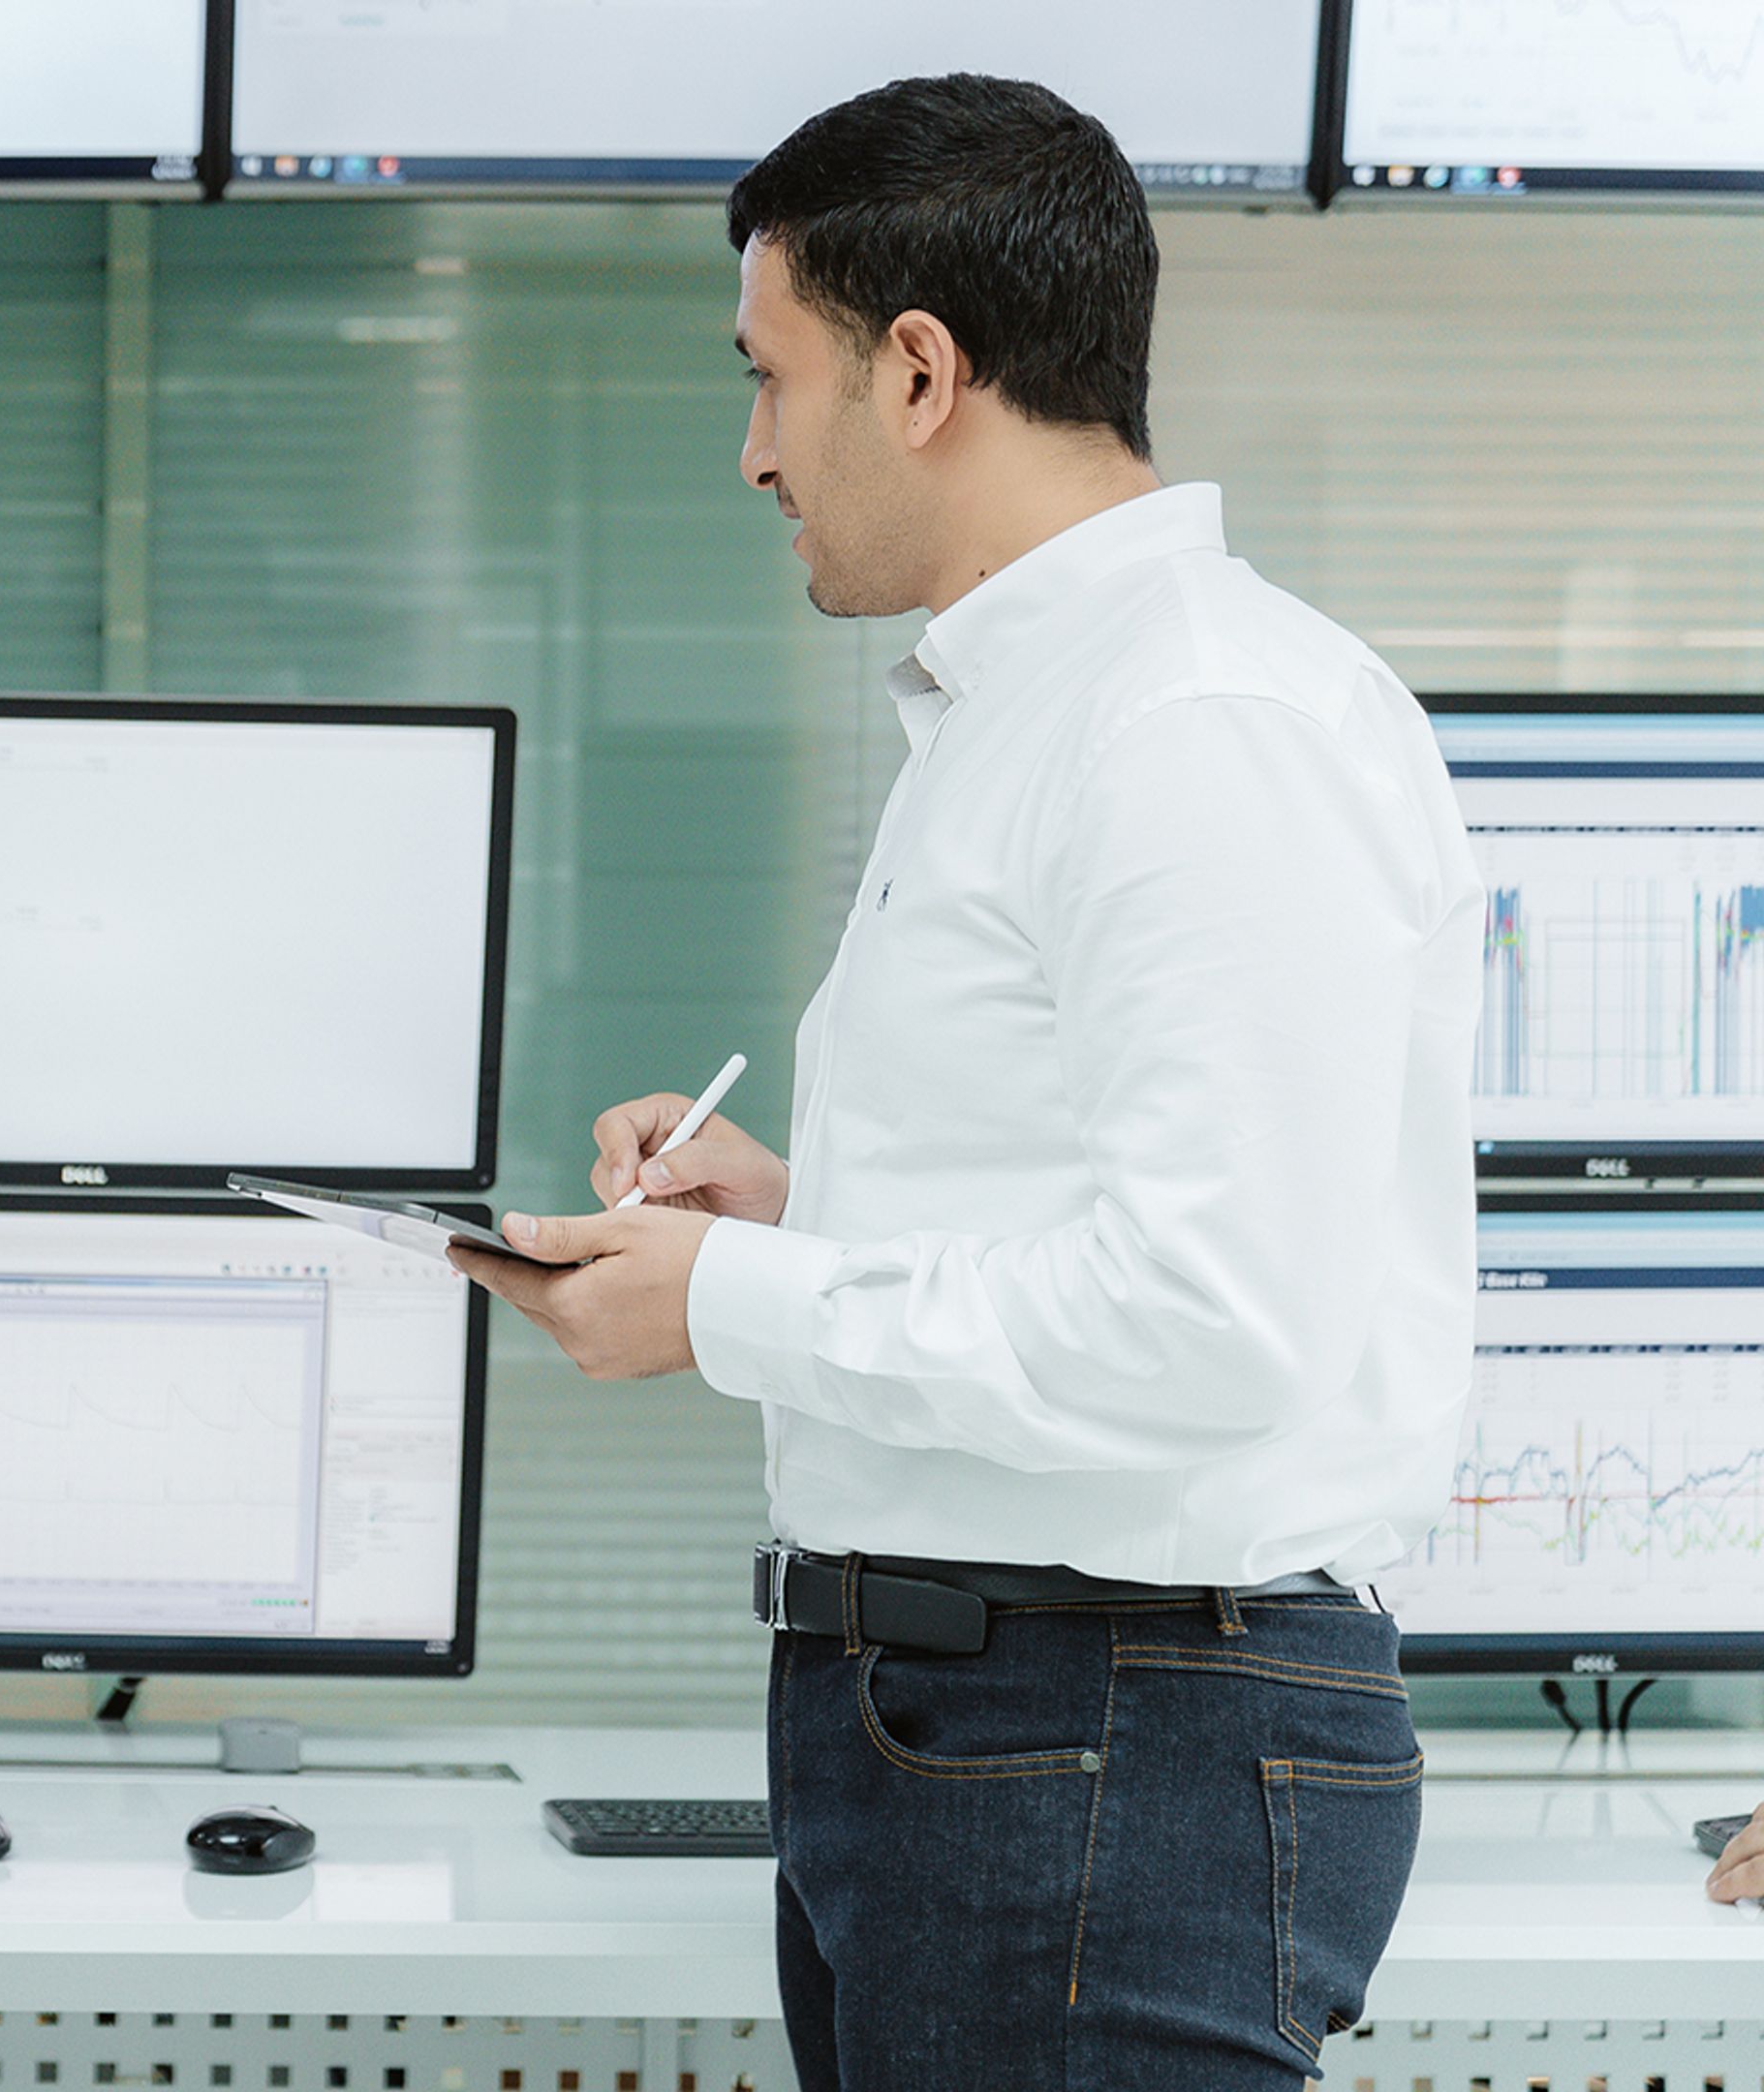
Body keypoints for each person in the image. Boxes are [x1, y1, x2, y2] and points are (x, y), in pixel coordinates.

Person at [449, 76, 1480, 2092]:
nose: (753, 458)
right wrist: (796, 1224)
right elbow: (1116, 1226)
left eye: (769, 382)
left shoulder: (1195, 721)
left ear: (917, 373)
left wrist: (728, 1306)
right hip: (1000, 1729)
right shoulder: (1048, 707)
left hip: (1107, 1730)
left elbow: (1214, 1319)